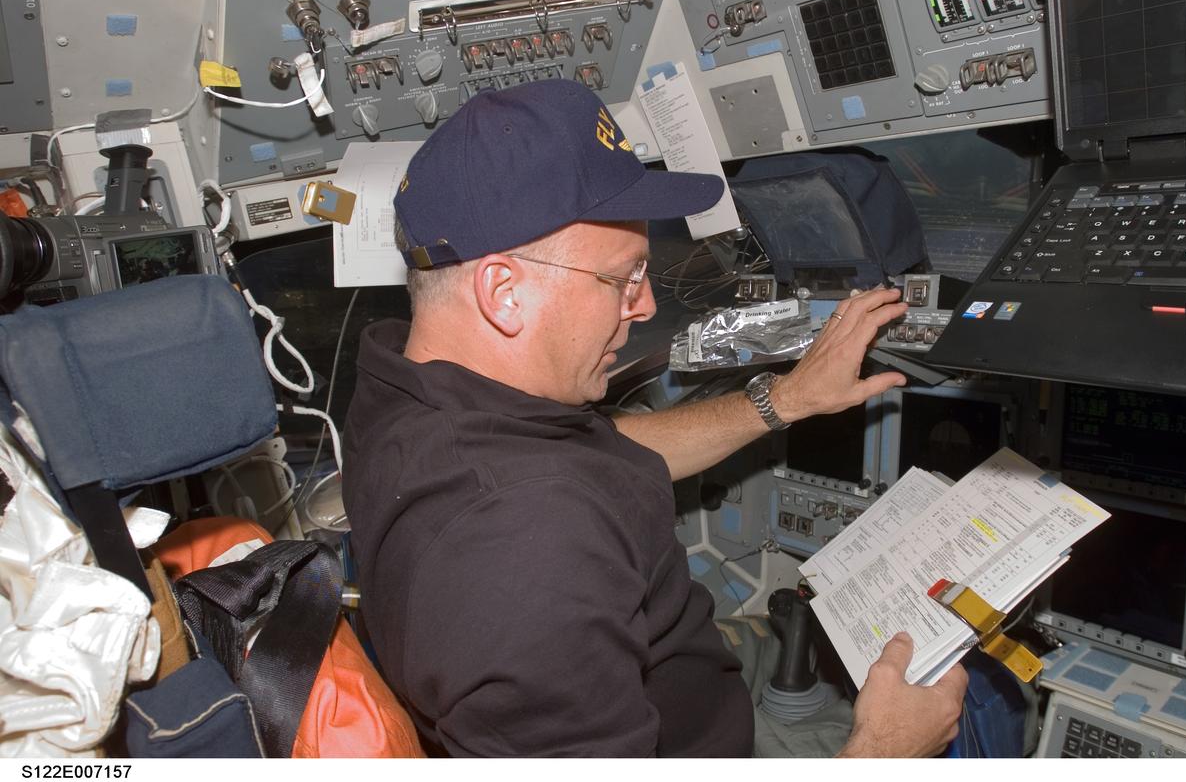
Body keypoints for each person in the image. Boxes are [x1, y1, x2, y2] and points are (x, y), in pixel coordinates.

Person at [342, 78, 967, 757]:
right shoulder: (526, 553)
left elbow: (597, 449)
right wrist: (884, 749)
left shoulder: (407, 392)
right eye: (622, 277)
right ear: (503, 291)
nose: (642, 308)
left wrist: (784, 399)